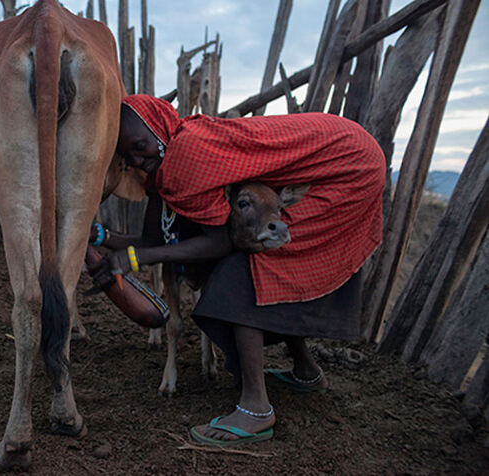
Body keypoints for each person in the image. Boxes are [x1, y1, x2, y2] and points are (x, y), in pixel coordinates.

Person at [88, 94, 385, 446]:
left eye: (140, 145)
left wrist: (139, 259)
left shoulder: (187, 155)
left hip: (349, 168)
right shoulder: (173, 157)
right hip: (350, 148)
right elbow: (155, 237)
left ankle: (256, 407)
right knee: (272, 269)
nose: (138, 159)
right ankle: (306, 370)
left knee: (244, 272)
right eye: (129, 156)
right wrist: (102, 238)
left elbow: (219, 243)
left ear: (158, 128)